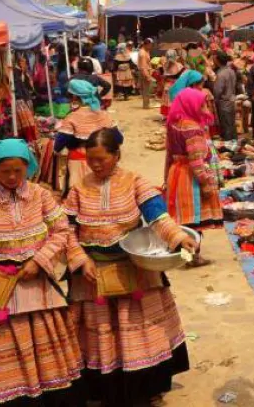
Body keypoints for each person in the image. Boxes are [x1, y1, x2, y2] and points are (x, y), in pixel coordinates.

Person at [65, 128, 196, 405]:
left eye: (102, 159)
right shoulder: (78, 189)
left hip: (132, 269)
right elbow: (65, 230)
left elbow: (158, 216)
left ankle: (144, 389)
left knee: (137, 332)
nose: (96, 165)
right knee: (101, 335)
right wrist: (79, 258)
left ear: (117, 155)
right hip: (91, 276)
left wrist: (179, 238)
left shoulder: (135, 182)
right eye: (91, 159)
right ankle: (104, 391)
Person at [0, 139, 83, 406]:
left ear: (28, 168)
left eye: (18, 170)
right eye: (4, 172)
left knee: (45, 346)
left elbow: (61, 230)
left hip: (36, 282)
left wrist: (39, 260)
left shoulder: (41, 196)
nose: (12, 177)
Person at [164, 88, 223, 261]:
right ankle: (193, 257)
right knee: (194, 217)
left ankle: (182, 254)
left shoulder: (175, 123)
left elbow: (168, 153)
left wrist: (166, 176)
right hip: (190, 178)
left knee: (181, 216)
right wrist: (205, 183)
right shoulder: (192, 129)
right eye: (202, 104)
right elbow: (196, 160)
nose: (205, 107)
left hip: (176, 171)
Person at [55, 79, 121, 196]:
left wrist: (56, 150)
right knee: (104, 191)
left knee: (79, 192)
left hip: (79, 162)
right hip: (104, 159)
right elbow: (119, 139)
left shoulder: (72, 117)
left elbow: (61, 141)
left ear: (74, 97)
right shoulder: (104, 115)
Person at [213, 51, 239, 141]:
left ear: (217, 61)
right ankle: (234, 142)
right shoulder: (231, 71)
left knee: (226, 126)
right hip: (231, 100)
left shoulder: (221, 74)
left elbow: (217, 91)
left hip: (224, 102)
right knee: (232, 124)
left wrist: (215, 100)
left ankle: (228, 146)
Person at [160, 49, 185, 118]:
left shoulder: (165, 65)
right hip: (176, 86)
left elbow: (164, 77)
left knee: (167, 101)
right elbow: (182, 76)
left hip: (167, 86)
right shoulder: (179, 65)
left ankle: (168, 116)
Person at [139, 38, 154, 109]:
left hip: (147, 71)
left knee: (147, 89)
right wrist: (147, 75)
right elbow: (143, 66)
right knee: (146, 89)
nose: (151, 47)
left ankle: (146, 104)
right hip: (144, 72)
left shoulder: (146, 51)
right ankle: (146, 105)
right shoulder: (142, 53)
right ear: (147, 44)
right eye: (150, 45)